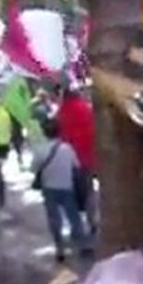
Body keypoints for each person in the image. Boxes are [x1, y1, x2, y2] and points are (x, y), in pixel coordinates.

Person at [32, 119, 91, 263]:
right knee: (73, 217)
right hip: (67, 186)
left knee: (54, 219)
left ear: (44, 132)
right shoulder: (67, 148)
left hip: (49, 188)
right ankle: (82, 245)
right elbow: (76, 166)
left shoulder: (40, 150)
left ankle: (60, 249)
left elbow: (33, 168)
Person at [56, 85, 97, 233]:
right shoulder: (86, 109)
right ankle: (93, 222)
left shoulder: (62, 113)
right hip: (88, 158)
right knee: (89, 192)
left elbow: (60, 136)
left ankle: (76, 226)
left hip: (68, 160)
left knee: (71, 195)